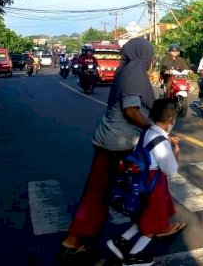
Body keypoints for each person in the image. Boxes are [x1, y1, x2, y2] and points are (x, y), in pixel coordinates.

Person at [59, 38, 156, 262]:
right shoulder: (133, 73)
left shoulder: (126, 69)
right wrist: (152, 130)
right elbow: (131, 110)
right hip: (117, 144)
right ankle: (133, 240)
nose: (151, 60)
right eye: (149, 55)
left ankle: (77, 240)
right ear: (142, 55)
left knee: (99, 192)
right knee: (135, 190)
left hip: (109, 140)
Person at [105, 98, 185, 265]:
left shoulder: (148, 131)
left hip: (140, 182)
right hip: (154, 186)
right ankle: (134, 256)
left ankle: (120, 242)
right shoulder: (162, 142)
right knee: (154, 223)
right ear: (171, 120)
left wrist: (168, 141)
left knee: (142, 217)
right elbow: (170, 170)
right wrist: (175, 151)